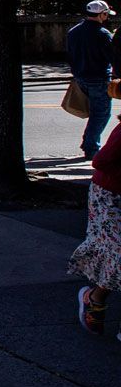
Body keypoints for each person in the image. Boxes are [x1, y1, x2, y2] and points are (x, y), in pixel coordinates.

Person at [73, 118, 121, 335]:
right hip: (110, 196)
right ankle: (93, 298)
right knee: (117, 252)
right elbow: (101, 161)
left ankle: (95, 298)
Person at [68, 0, 114, 158]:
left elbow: (70, 55)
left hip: (81, 77)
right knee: (101, 113)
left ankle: (88, 141)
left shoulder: (73, 31)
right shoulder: (103, 34)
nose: (106, 17)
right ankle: (91, 147)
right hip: (99, 77)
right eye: (106, 14)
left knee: (96, 113)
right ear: (102, 14)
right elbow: (112, 57)